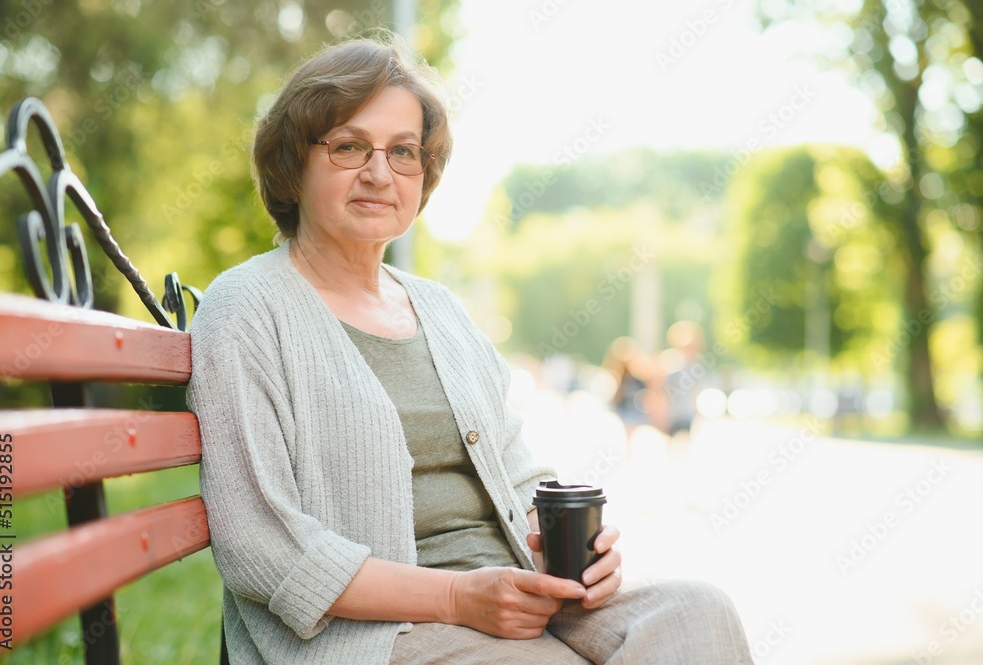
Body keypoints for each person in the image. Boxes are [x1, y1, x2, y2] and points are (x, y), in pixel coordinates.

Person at [188, 36, 754, 665]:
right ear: (294, 163)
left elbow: (517, 469)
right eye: (349, 146)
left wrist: (558, 546)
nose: (380, 173)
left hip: (515, 597)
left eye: (404, 152)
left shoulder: (441, 311)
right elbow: (259, 546)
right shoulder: (247, 308)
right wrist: (458, 598)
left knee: (698, 614)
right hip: (375, 633)